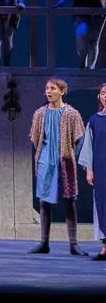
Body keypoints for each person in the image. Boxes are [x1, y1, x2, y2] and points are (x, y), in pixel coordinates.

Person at [29, 78, 88, 256]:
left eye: (53, 88)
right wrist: (44, 154)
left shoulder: (72, 114)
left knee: (69, 200)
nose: (49, 91)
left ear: (62, 92)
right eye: (47, 88)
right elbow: (35, 137)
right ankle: (44, 243)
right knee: (44, 201)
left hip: (64, 160)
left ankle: (73, 244)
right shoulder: (40, 113)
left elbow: (80, 137)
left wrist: (70, 154)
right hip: (46, 160)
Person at [77, 82, 106, 260]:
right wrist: (89, 169)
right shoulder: (95, 120)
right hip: (101, 170)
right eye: (103, 93)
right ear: (99, 96)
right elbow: (88, 146)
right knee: (102, 206)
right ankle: (105, 247)